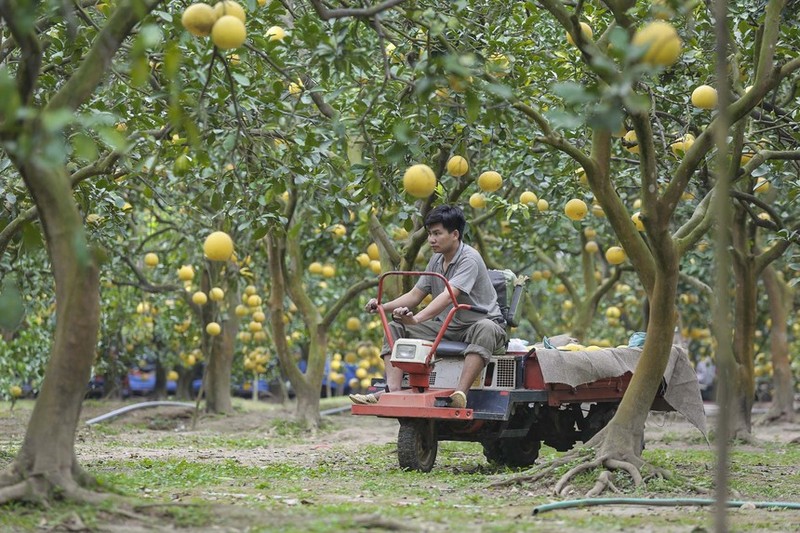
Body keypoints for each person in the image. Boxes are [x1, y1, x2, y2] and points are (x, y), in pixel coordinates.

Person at [350, 204, 507, 408]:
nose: (431, 239)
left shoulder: (470, 258)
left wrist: (417, 318)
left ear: (455, 234)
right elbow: (415, 295)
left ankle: (460, 393)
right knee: (397, 327)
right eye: (429, 234)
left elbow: (448, 296)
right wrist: (381, 305)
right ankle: (393, 391)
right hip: (448, 326)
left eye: (437, 233)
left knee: (486, 328)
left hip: (479, 324)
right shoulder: (436, 260)